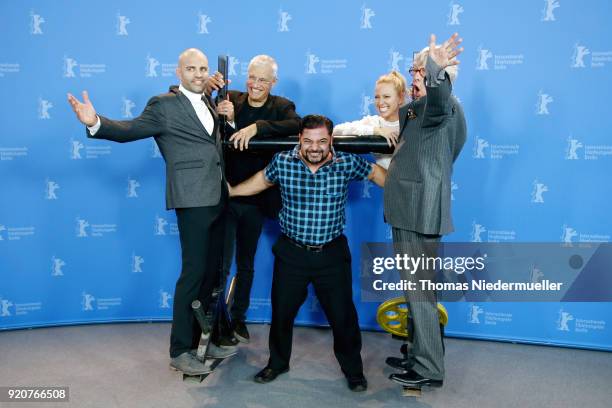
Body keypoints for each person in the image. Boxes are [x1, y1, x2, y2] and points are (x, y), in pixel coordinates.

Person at [67, 48, 236, 376]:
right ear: (178, 71)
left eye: (203, 68)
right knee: (194, 274)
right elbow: (130, 129)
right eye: (192, 68)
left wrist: (227, 118)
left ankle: (208, 337)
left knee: (214, 274)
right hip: (192, 199)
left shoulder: (210, 103)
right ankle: (180, 349)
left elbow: (214, 144)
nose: (199, 74)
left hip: (218, 196)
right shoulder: (164, 105)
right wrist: (96, 123)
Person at [229, 115, 386, 392]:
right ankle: (277, 363)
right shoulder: (282, 161)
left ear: (331, 141)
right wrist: (232, 192)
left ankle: (354, 371)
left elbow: (376, 174)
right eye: (309, 141)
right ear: (300, 139)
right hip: (292, 253)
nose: (316, 147)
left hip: (332, 255)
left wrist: (406, 187)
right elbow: (261, 181)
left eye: (322, 141)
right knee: (282, 314)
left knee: (343, 317)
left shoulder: (346, 162)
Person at [383, 33, 466, 388]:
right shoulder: (418, 110)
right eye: (414, 69)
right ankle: (418, 352)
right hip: (410, 209)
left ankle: (428, 368)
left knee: (420, 292)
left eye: (419, 71)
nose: (414, 75)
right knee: (419, 290)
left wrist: (436, 68)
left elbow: (438, 95)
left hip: (418, 212)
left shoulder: (442, 106)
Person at [207, 55, 300, 343]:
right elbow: (197, 110)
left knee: (245, 263)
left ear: (273, 82)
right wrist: (209, 91)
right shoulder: (230, 97)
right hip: (226, 196)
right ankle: (213, 320)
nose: (256, 84)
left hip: (257, 200)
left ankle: (238, 320)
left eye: (262, 79)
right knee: (220, 263)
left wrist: (257, 127)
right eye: (252, 77)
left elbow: (295, 125)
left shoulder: (282, 106)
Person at [333, 71, 408, 169]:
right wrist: (376, 131)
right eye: (377, 97)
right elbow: (337, 130)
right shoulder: (374, 122)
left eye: (386, 96)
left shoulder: (411, 121)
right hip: (388, 180)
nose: (380, 102)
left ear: (400, 98)